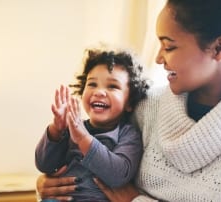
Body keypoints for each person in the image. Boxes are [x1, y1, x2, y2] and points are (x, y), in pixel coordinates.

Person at [36, 0, 221, 201]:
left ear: (219, 48)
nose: (159, 58)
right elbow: (86, 152)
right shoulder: (146, 105)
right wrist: (49, 182)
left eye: (169, 46)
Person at [35, 48, 149, 201]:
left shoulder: (127, 134)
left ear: (129, 102)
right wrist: (56, 130)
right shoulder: (73, 128)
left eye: (112, 86)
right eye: (92, 84)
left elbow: (118, 175)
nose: (99, 92)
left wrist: (83, 139)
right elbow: (44, 165)